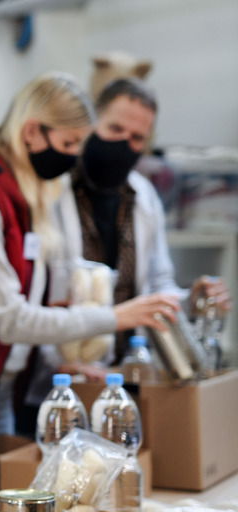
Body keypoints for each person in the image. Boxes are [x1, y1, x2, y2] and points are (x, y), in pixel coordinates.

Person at [0, 72, 181, 459]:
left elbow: (31, 300)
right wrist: (115, 317)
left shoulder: (19, 191)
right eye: (68, 144)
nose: (71, 159)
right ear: (31, 132)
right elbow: (8, 318)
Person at [54, 78, 231, 363]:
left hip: (125, 366)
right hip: (58, 369)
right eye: (115, 129)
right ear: (91, 123)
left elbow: (159, 285)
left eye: (136, 138)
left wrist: (190, 299)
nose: (124, 144)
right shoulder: (55, 189)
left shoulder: (144, 196)